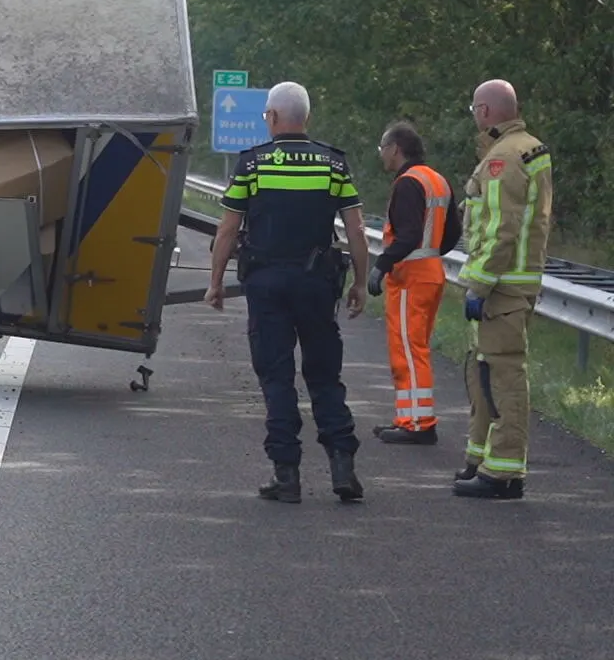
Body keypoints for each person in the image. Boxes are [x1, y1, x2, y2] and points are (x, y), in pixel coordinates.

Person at [207, 81, 370, 504]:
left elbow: (227, 228)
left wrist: (215, 281)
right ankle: (342, 466)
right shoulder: (333, 165)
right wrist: (359, 282)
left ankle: (287, 476)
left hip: (266, 285)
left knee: (277, 376)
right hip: (318, 285)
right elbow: (355, 230)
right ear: (306, 118)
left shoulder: (253, 165)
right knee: (324, 374)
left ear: (274, 118)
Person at [453, 79, 552, 499]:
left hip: (502, 289)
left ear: (485, 111)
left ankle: (504, 473)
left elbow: (499, 229)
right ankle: (482, 459)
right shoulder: (527, 148)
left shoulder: (503, 159)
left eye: (475, 109)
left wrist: (479, 284)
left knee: (503, 377)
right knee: (483, 373)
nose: (475, 116)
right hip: (512, 285)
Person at [368, 122, 463, 445]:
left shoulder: (408, 183)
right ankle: (408, 418)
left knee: (408, 350)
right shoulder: (437, 180)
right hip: (431, 271)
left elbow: (407, 234)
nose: (381, 155)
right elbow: (452, 233)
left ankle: (419, 423)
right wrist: (430, 252)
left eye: (382, 149)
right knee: (413, 347)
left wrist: (382, 264)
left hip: (411, 277)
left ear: (395, 148)